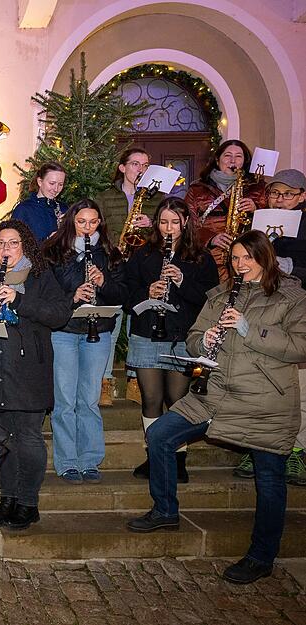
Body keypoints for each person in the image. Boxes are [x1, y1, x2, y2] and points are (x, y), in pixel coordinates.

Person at [127, 230, 306, 585]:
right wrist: (203, 339)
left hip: (263, 400)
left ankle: (261, 555)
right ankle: (165, 510)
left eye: (247, 259)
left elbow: (300, 347)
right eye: (235, 259)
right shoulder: (223, 294)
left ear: (264, 258)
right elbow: (194, 333)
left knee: (269, 479)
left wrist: (248, 329)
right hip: (215, 393)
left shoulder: (291, 295)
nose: (240, 266)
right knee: (161, 435)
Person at [0, 220, 70, 530]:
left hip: (28, 370)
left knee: (29, 439)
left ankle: (28, 503)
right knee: (2, 439)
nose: (6, 249)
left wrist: (19, 300)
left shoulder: (40, 276)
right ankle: (7, 499)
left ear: (26, 246)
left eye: (13, 243)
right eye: (1, 243)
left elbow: (60, 314)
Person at [123, 197, 219, 481]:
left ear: (185, 223)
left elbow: (210, 301)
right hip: (147, 333)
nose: (168, 228)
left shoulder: (201, 257)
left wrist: (181, 282)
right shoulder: (143, 255)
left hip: (181, 336)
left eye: (174, 223)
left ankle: (178, 459)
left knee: (178, 400)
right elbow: (126, 295)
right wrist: (146, 292)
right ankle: (155, 457)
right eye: (163, 222)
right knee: (151, 399)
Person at [43, 199, 127, 484]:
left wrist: (103, 282)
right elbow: (52, 291)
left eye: (93, 223)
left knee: (89, 400)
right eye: (82, 222)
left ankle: (90, 460)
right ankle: (67, 461)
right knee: (65, 400)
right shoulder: (55, 252)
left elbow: (121, 295)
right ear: (71, 222)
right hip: (65, 332)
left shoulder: (110, 253)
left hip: (97, 331)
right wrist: (80, 266)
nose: (88, 228)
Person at [235, 168, 306, 486]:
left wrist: (290, 266)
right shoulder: (259, 223)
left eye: (288, 194)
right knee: (257, 380)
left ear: (302, 197)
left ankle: (296, 451)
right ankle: (256, 447)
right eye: (275, 193)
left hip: (297, 313)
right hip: (262, 311)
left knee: (299, 387)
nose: (280, 199)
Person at [95, 148, 155, 406]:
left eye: (144, 164)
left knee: (139, 327)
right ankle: (105, 381)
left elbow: (168, 233)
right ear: (122, 168)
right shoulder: (106, 197)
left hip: (143, 268)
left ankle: (135, 381)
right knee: (111, 325)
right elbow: (96, 230)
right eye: (134, 164)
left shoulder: (156, 198)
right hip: (115, 267)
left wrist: (151, 225)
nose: (139, 169)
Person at [185, 139, 267, 280]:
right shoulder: (197, 189)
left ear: (245, 162)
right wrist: (210, 238)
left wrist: (257, 209)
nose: (232, 161)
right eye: (227, 155)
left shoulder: (258, 188)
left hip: (249, 258)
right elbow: (187, 223)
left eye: (238, 156)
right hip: (210, 259)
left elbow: (272, 223)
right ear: (217, 160)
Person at [12, 162, 68, 242]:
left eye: (60, 184)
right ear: (40, 182)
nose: (56, 189)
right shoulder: (23, 209)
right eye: (52, 183)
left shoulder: (64, 208)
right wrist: (48, 241)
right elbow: (14, 243)